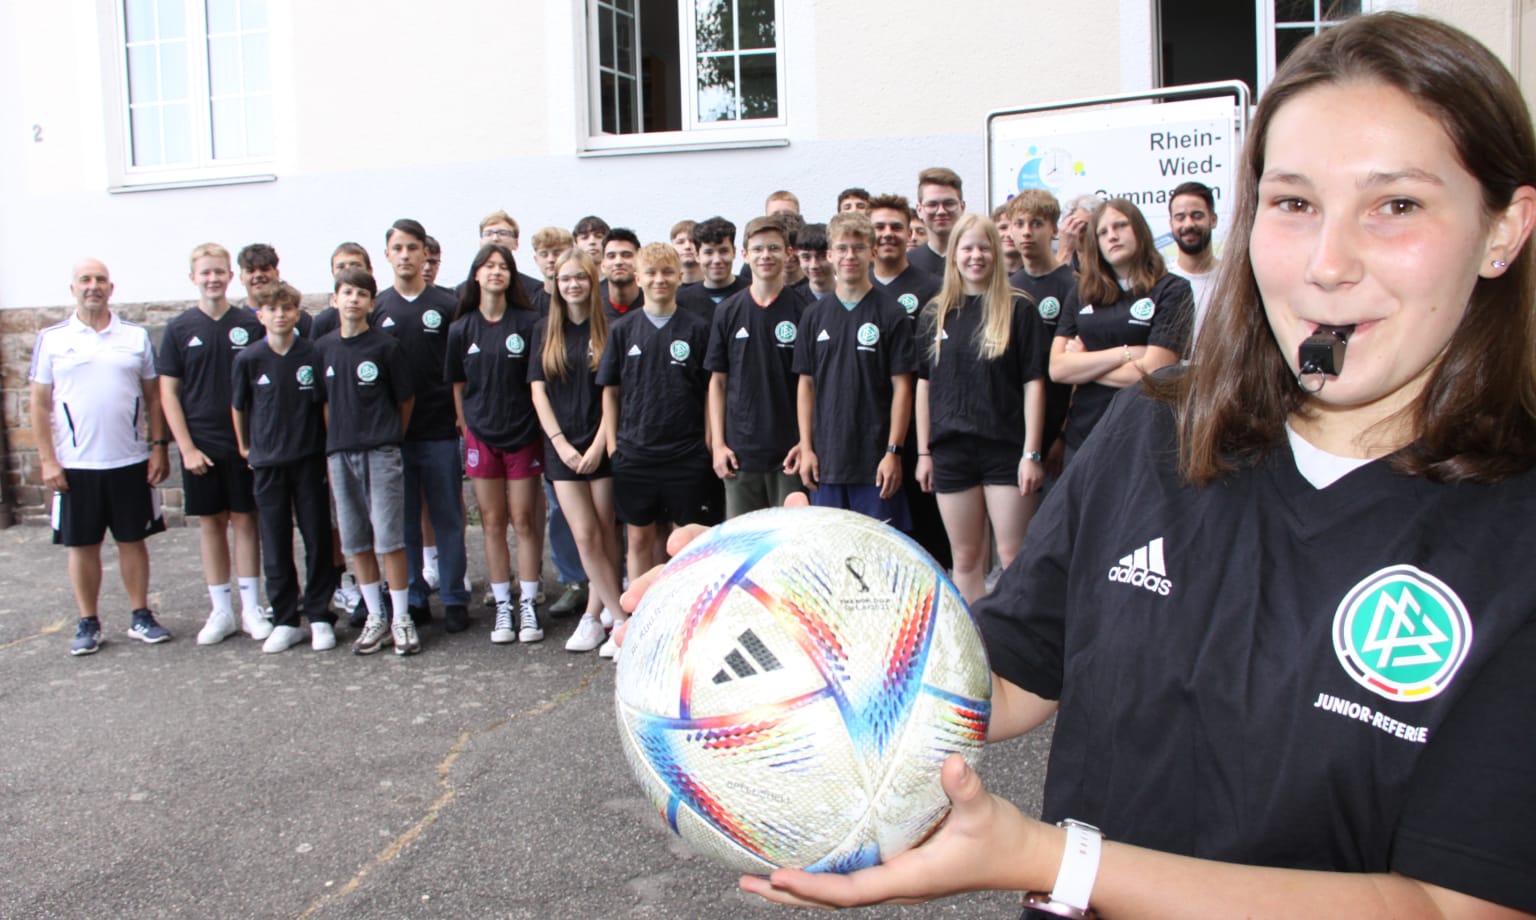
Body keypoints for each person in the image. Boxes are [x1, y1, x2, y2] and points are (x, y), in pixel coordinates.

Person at [728, 12, 1536, 915]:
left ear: (1504, 229)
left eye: (1396, 205)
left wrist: (1053, 862)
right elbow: (1012, 673)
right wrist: (788, 617)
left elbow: (1457, 903)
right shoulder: (1158, 427)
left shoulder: (1514, 533)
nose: (1328, 263)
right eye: (1294, 202)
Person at [31, 258, 171, 655]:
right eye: (85, 280)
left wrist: (158, 447)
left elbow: (154, 397)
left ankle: (140, 615)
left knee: (133, 540)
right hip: (76, 465)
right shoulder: (53, 338)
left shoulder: (134, 336)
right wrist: (48, 459)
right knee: (82, 545)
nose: (93, 286)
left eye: (101, 280)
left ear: (112, 288)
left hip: (128, 460)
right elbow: (39, 405)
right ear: (72, 288)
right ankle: (88, 621)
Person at [914, 214, 1046, 602]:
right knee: (966, 558)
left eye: (984, 247)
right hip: (952, 452)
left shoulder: (1019, 310)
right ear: (953, 254)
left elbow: (1034, 384)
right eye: (967, 247)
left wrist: (1031, 453)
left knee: (1012, 557)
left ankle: (1015, 654)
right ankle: (978, 652)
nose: (976, 256)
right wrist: (924, 452)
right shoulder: (934, 313)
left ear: (996, 253)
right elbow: (924, 385)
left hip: (1005, 452)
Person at [158, 243, 270, 644]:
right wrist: (185, 448)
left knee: (245, 520)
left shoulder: (251, 324)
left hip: (243, 445)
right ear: (193, 278)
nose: (212, 279)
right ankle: (220, 611)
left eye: (219, 271)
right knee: (211, 524)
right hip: (202, 445)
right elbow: (168, 393)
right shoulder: (179, 329)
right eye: (205, 272)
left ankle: (251, 609)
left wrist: (258, 442)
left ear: (231, 275)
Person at [597, 242, 721, 601]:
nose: (659, 280)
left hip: (686, 453)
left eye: (667, 272)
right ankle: (639, 615)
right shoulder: (623, 330)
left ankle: (686, 609)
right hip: (635, 453)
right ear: (638, 278)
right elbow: (610, 390)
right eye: (651, 273)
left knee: (686, 541)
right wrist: (613, 446)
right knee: (639, 538)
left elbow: (712, 387)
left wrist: (709, 442)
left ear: (680, 277)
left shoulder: (697, 328)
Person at [445, 243, 546, 645]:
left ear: (512, 276)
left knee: (523, 519)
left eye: (503, 266)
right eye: (488, 266)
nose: (496, 272)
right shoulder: (460, 329)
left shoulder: (529, 322)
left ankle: (529, 601)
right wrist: (466, 426)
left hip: (522, 434)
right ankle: (503, 603)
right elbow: (457, 384)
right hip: (481, 437)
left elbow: (536, 380)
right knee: (491, 521)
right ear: (476, 275)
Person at [373, 219, 471, 632]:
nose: (406, 255)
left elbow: (461, 371)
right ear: (388, 255)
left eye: (413, 248)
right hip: (394, 435)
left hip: (440, 430)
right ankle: (413, 596)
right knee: (405, 520)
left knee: (448, 518)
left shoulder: (446, 305)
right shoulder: (378, 307)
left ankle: (453, 597)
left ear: (425, 254)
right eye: (398, 248)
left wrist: (462, 421)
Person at [232, 282, 340, 652]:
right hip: (268, 464)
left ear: (297, 313)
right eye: (271, 309)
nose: (280, 315)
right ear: (259, 314)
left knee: (317, 537)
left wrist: (328, 451)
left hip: (309, 459)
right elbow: (239, 406)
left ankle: (321, 614)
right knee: (275, 541)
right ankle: (285, 618)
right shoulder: (249, 359)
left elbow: (325, 405)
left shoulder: (313, 354)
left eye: (287, 309)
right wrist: (246, 447)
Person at [792, 213, 917, 527]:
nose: (850, 256)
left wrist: (893, 452)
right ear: (830, 255)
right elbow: (806, 385)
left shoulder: (891, 312)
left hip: (874, 461)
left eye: (859, 248)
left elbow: (903, 387)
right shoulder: (813, 315)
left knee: (878, 557)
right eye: (842, 248)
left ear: (872, 253)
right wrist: (807, 448)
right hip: (827, 462)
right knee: (829, 554)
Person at [316, 268, 418, 656]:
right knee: (356, 539)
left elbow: (404, 400)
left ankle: (401, 617)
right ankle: (375, 615)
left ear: (372, 303)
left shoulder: (385, 347)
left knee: (390, 537)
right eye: (346, 292)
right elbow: (324, 403)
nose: (353, 299)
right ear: (334, 299)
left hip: (381, 450)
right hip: (341, 453)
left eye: (361, 293)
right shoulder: (323, 348)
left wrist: (389, 436)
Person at [529, 251, 625, 656]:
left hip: (600, 444)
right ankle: (620, 620)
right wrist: (560, 444)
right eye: (565, 278)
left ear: (592, 280)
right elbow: (538, 390)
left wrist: (600, 442)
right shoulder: (543, 331)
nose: (573, 285)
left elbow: (613, 394)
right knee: (584, 537)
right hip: (562, 450)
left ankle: (594, 614)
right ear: (555, 283)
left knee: (607, 533)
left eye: (580, 278)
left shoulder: (612, 329)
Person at [1049, 199, 1192, 466]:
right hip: (1086, 436)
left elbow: (1155, 372)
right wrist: (1125, 354)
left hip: (1145, 436)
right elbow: (1058, 369)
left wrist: (1085, 365)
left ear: (1139, 229)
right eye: (1103, 232)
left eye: (1121, 226)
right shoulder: (1080, 294)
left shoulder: (1172, 290)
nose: (1112, 235)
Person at [705, 215, 812, 518]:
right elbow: (718, 382)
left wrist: (806, 443)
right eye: (759, 249)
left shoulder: (804, 310)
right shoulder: (728, 311)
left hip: (789, 454)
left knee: (790, 544)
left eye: (774, 248)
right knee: (744, 545)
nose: (766, 255)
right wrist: (719, 445)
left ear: (788, 252)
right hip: (740, 455)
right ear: (745, 254)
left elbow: (811, 383)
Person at [1006, 189, 1078, 473]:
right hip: (1012, 429)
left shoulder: (1073, 286)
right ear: (1010, 229)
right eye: (1020, 223)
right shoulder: (1005, 287)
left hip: (1059, 427)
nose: (1027, 232)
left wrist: (1063, 435)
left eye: (1036, 224)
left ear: (1054, 229)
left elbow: (1077, 374)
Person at [1166, 179, 1221, 345]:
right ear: (1171, 224)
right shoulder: (1160, 282)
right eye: (1180, 217)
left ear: (1213, 220)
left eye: (1197, 216)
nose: (1188, 224)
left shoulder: (1235, 279)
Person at [677, 216, 747, 318]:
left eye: (723, 251)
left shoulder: (752, 293)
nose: (717, 260)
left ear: (734, 252)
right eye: (708, 252)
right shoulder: (682, 302)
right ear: (697, 256)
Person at [909, 167, 966, 276]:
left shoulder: (977, 262)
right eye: (932, 205)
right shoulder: (907, 265)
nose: (941, 211)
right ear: (919, 209)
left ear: (962, 207)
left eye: (949, 203)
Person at [599, 228, 645, 320]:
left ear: (640, 262)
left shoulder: (653, 308)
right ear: (603, 265)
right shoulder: (593, 310)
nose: (618, 262)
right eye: (611, 256)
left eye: (626, 255)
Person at [794, 223, 834, 298]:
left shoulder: (851, 296)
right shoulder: (792, 300)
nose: (814, 265)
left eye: (822, 256)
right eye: (806, 257)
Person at [992, 205, 1024, 276]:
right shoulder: (984, 275)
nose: (1010, 234)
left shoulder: (1039, 272)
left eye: (1017, 226)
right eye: (1003, 227)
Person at [670, 219, 704, 285]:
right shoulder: (667, 291)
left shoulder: (717, 285)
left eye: (693, 241)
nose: (687, 246)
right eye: (680, 242)